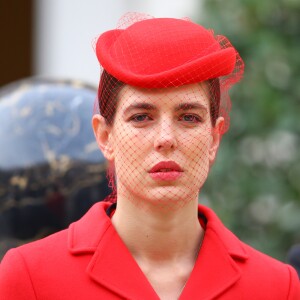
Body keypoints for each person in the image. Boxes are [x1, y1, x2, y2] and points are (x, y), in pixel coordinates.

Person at [0, 12, 299, 300]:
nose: (166, 139)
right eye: (142, 117)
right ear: (105, 136)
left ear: (214, 137)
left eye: (189, 118)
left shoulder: (276, 287)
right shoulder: (30, 278)